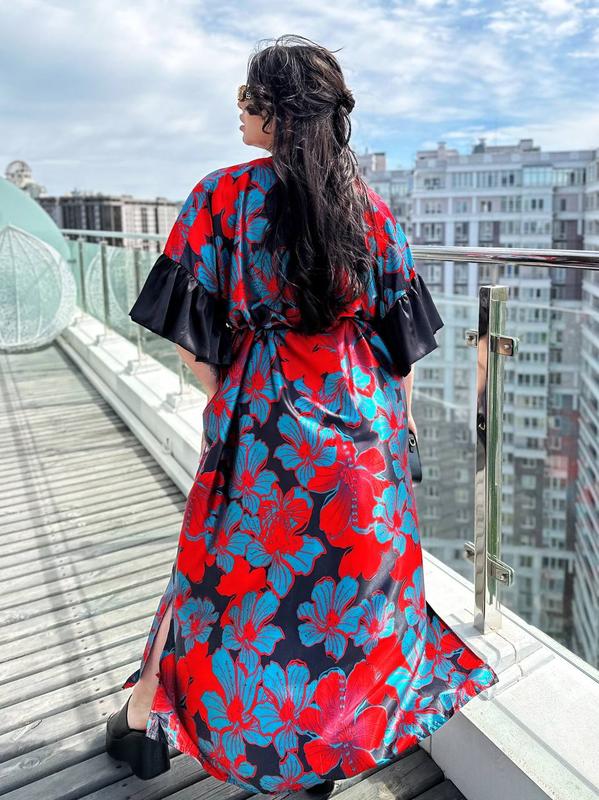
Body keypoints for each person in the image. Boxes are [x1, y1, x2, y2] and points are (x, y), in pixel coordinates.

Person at [105, 34, 499, 797]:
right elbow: (400, 350)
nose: (239, 108)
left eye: (248, 96)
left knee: (222, 584)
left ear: (276, 111)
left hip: (261, 430)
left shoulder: (220, 197)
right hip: (361, 434)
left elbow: (188, 339)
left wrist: (234, 394)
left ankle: (148, 716)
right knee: (346, 599)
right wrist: (398, 430)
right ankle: (320, 751)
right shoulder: (367, 207)